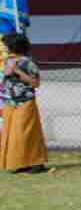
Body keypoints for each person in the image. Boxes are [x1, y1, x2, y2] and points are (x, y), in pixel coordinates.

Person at [0, 33, 49, 173]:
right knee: (12, 134)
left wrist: (17, 71)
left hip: (25, 102)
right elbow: (6, 78)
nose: (5, 47)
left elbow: (36, 83)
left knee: (26, 133)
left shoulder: (28, 63)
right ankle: (19, 163)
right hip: (10, 102)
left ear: (14, 46)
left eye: (6, 45)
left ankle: (36, 163)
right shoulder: (7, 60)